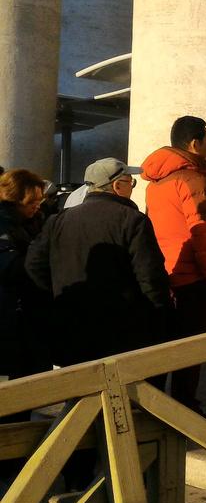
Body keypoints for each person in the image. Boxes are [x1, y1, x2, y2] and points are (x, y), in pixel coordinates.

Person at [26, 158, 172, 367]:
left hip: (70, 325)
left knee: (77, 384)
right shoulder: (133, 220)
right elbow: (150, 275)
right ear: (117, 186)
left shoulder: (58, 220)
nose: (132, 187)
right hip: (121, 330)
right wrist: (160, 314)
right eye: (131, 182)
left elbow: (33, 266)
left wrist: (59, 296)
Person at [140, 115, 206, 424]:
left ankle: (156, 410)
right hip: (194, 277)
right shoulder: (192, 180)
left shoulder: (156, 183)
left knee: (166, 346)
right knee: (191, 349)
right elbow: (203, 231)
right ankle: (185, 412)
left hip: (168, 273)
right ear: (194, 143)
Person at [0, 169, 52, 398]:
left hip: (27, 315)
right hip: (10, 314)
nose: (37, 206)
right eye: (31, 202)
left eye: (40, 201)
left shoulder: (34, 222)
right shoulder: (5, 226)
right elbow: (11, 268)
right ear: (14, 199)